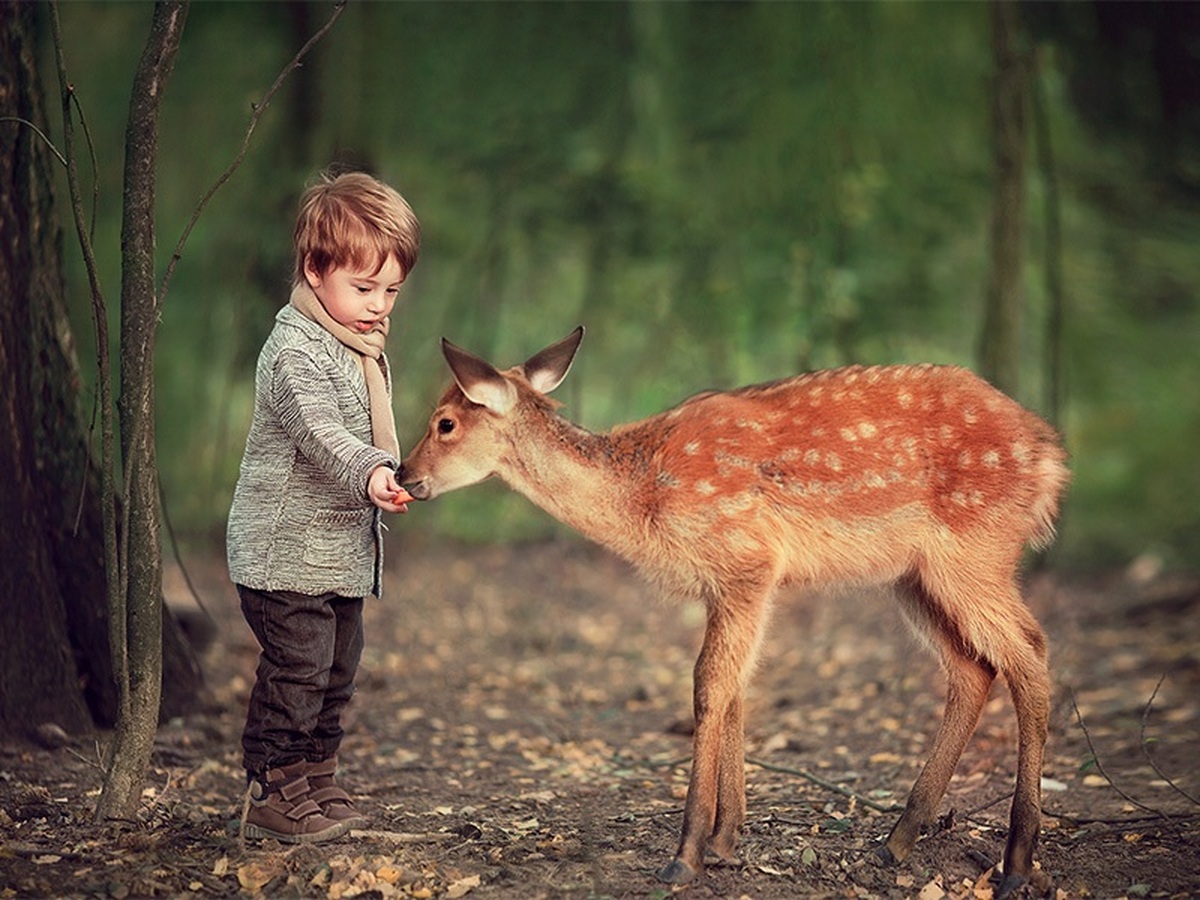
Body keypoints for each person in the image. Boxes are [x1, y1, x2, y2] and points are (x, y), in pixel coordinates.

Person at [226, 170, 420, 843]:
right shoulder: (293, 352)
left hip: (336, 555)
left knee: (338, 672)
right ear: (314, 268)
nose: (379, 305)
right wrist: (372, 470)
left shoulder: (359, 348)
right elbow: (321, 432)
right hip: (284, 552)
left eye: (390, 290)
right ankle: (271, 787)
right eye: (363, 288)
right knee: (299, 670)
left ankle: (314, 777)